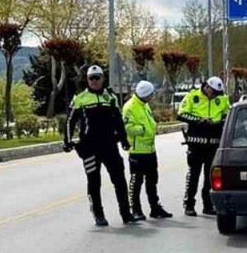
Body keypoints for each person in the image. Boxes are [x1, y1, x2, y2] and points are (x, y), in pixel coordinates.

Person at [65, 65, 135, 227]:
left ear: (103, 79)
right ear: (87, 80)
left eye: (97, 77)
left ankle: (126, 213)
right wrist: (67, 141)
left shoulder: (110, 97)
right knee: (94, 181)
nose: (95, 81)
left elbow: (118, 120)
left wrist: (124, 140)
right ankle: (98, 214)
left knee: (119, 180)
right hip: (89, 147)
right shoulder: (80, 97)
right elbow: (70, 121)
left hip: (110, 145)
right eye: (92, 78)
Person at [177, 76, 229, 217]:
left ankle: (208, 205)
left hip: (213, 144)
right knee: (193, 175)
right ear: (207, 87)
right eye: (213, 92)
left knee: (209, 177)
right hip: (196, 143)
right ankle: (189, 205)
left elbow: (227, 116)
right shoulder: (193, 96)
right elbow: (181, 115)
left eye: (217, 93)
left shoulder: (222, 99)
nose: (215, 95)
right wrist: (199, 121)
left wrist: (218, 123)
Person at [123, 80, 171, 221]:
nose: (153, 96)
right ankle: (136, 209)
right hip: (137, 151)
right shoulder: (130, 107)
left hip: (150, 150)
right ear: (145, 94)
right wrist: (143, 130)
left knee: (152, 180)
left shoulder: (144, 105)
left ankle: (155, 208)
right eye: (151, 94)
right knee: (136, 181)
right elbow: (127, 127)